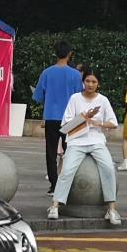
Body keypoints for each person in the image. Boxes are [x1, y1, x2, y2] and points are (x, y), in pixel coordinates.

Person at [47, 70, 121, 225]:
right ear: (83, 82)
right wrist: (83, 119)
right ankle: (55, 206)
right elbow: (66, 124)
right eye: (87, 81)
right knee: (67, 170)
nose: (90, 84)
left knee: (108, 168)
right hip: (76, 141)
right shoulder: (75, 98)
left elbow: (113, 123)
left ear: (98, 84)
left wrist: (98, 123)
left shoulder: (103, 100)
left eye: (94, 82)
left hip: (96, 141)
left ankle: (112, 209)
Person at [33, 40, 83, 195]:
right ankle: (68, 183)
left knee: (51, 151)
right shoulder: (75, 75)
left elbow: (38, 96)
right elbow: (79, 96)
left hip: (51, 116)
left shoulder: (46, 73)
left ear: (55, 53)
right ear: (70, 54)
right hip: (69, 118)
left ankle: (54, 185)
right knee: (71, 151)